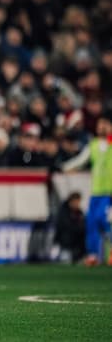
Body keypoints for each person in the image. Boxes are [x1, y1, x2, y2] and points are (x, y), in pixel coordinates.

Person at [61, 112, 112, 266]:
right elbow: (81, 160)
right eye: (99, 124)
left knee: (104, 221)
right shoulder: (94, 145)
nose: (101, 127)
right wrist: (65, 167)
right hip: (96, 192)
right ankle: (93, 255)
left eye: (105, 124)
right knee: (91, 222)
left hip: (109, 192)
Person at [53, 192, 86, 264]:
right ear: (71, 201)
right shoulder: (63, 212)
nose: (77, 204)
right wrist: (79, 228)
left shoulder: (79, 213)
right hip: (65, 245)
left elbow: (83, 226)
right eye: (76, 202)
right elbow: (67, 227)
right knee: (66, 262)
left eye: (78, 202)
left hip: (78, 247)